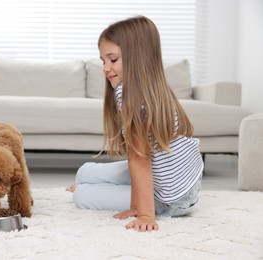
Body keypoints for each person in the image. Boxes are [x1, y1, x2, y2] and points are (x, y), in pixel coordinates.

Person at [67, 16, 204, 232]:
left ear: (137, 59)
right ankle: (90, 182)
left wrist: (144, 213)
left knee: (81, 195)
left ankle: (89, 188)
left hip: (173, 198)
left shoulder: (134, 98)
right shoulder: (149, 90)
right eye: (103, 61)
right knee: (85, 172)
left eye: (112, 60)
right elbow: (141, 157)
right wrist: (132, 202)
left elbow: (140, 160)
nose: (105, 68)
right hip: (182, 180)